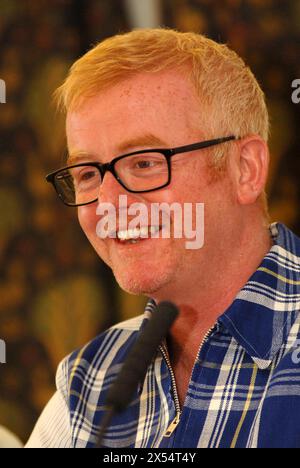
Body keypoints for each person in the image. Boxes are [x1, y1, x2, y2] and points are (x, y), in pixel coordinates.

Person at [26, 28, 300, 448]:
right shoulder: (88, 383)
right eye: (86, 174)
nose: (109, 202)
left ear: (244, 168)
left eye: (144, 163)